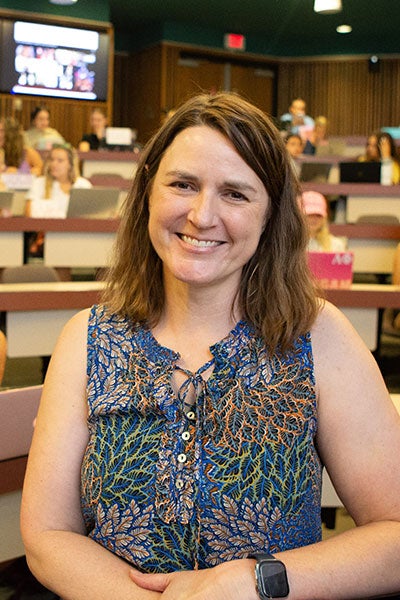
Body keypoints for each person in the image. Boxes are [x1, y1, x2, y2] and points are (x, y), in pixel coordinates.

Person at [20, 92, 400, 600]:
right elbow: (48, 536)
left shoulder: (318, 336)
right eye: (182, 184)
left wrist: (254, 580)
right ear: (149, 192)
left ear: (270, 217)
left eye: (236, 194)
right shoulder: (86, 338)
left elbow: (395, 534)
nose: (202, 215)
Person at [25, 143, 92, 219]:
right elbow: (29, 215)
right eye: (52, 160)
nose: (54, 164)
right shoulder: (39, 183)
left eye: (60, 161)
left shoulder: (83, 185)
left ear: (70, 164)